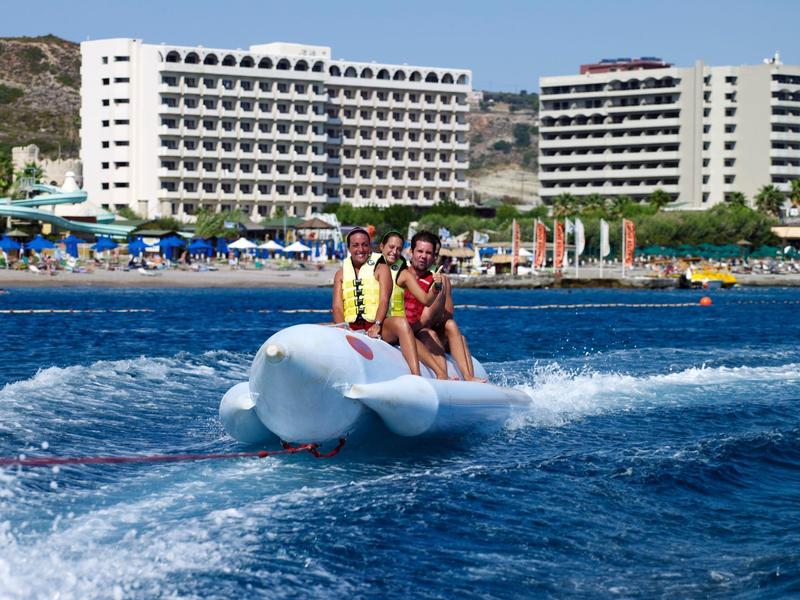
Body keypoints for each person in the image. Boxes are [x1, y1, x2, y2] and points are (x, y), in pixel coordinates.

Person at [332, 227, 424, 376]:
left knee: (401, 323)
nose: (360, 249)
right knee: (314, 327)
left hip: (376, 326)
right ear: (349, 248)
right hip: (350, 326)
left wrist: (377, 324)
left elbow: (384, 299)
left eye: (365, 245)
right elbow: (337, 306)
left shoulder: (381, 268)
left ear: (370, 247)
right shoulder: (340, 274)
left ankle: (416, 375)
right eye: (355, 245)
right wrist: (343, 328)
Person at [404, 230, 485, 382]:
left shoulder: (440, 281)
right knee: (429, 334)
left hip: (426, 329)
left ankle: (468, 377)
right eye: (420, 251)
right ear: (411, 252)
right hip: (410, 330)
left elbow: (446, 315)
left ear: (434, 257)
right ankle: (443, 376)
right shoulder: (402, 276)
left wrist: (437, 305)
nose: (423, 256)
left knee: (451, 326)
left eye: (428, 253)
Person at [377, 231, 451, 379]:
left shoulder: (405, 274)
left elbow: (427, 302)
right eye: (391, 247)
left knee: (424, 332)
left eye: (398, 249)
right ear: (381, 247)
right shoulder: (370, 267)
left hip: (399, 326)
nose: (394, 252)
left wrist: (436, 287)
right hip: (381, 325)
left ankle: (439, 375)